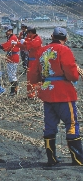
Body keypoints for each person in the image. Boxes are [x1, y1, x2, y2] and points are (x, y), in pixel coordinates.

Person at [30, 27, 83, 168]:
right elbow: (72, 74)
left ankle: (51, 159)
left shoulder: (42, 51)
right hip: (63, 93)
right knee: (71, 124)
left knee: (50, 126)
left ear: (52, 36)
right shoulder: (64, 50)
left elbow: (34, 75)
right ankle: (78, 159)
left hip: (47, 92)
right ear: (65, 39)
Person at [18, 26, 42, 99]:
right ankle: (31, 94)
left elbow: (31, 44)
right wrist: (17, 43)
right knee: (30, 78)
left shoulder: (37, 39)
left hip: (35, 61)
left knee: (34, 78)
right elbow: (25, 46)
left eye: (28, 33)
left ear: (30, 32)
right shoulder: (32, 38)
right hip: (31, 60)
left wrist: (24, 42)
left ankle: (35, 94)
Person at [0, 25, 20, 96]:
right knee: (10, 74)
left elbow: (7, 45)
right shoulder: (10, 37)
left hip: (13, 57)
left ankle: (14, 91)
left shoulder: (13, 38)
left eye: (7, 31)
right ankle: (13, 90)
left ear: (10, 31)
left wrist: (0, 46)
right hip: (10, 57)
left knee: (12, 75)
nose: (6, 33)